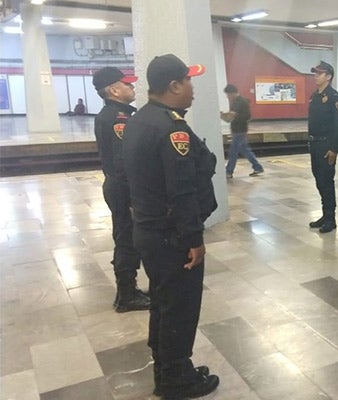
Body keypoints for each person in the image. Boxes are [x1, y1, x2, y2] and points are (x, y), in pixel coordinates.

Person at [123, 54, 219, 399]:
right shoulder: (171, 128)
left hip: (149, 229)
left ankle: (169, 367)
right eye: (189, 80)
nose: (193, 87)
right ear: (174, 85)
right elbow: (181, 190)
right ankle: (177, 379)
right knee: (180, 305)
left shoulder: (139, 120)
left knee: (163, 302)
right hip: (172, 236)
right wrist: (193, 239)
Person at [92, 67, 151, 313]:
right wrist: (133, 197)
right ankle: (126, 295)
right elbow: (122, 161)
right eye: (127, 84)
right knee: (127, 239)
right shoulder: (117, 119)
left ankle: (128, 290)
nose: (132, 87)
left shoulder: (115, 115)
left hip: (118, 186)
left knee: (126, 236)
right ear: (114, 90)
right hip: (122, 188)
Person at [308, 61, 338, 233]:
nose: (316, 75)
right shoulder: (315, 96)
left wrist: (334, 149)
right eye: (315, 73)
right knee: (319, 181)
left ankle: (331, 218)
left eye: (319, 73)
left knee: (326, 182)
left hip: (326, 145)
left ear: (328, 76)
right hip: (314, 144)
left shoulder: (333, 97)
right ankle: (325, 213)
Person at [222, 84, 263, 178]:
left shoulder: (238, 101)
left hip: (239, 130)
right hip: (240, 129)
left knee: (233, 151)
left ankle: (229, 172)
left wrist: (221, 115)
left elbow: (231, 116)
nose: (227, 97)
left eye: (227, 95)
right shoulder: (240, 100)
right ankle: (257, 167)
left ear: (231, 93)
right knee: (245, 149)